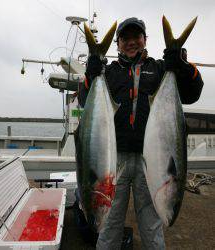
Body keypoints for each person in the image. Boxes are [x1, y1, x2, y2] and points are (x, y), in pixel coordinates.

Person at [78, 17, 204, 250]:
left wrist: (181, 66)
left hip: (152, 161)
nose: (131, 42)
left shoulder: (159, 69)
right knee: (109, 223)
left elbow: (192, 93)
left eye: (137, 37)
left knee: (151, 225)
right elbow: (85, 101)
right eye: (125, 38)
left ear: (145, 40)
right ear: (117, 44)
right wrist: (91, 72)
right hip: (114, 161)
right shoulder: (108, 73)